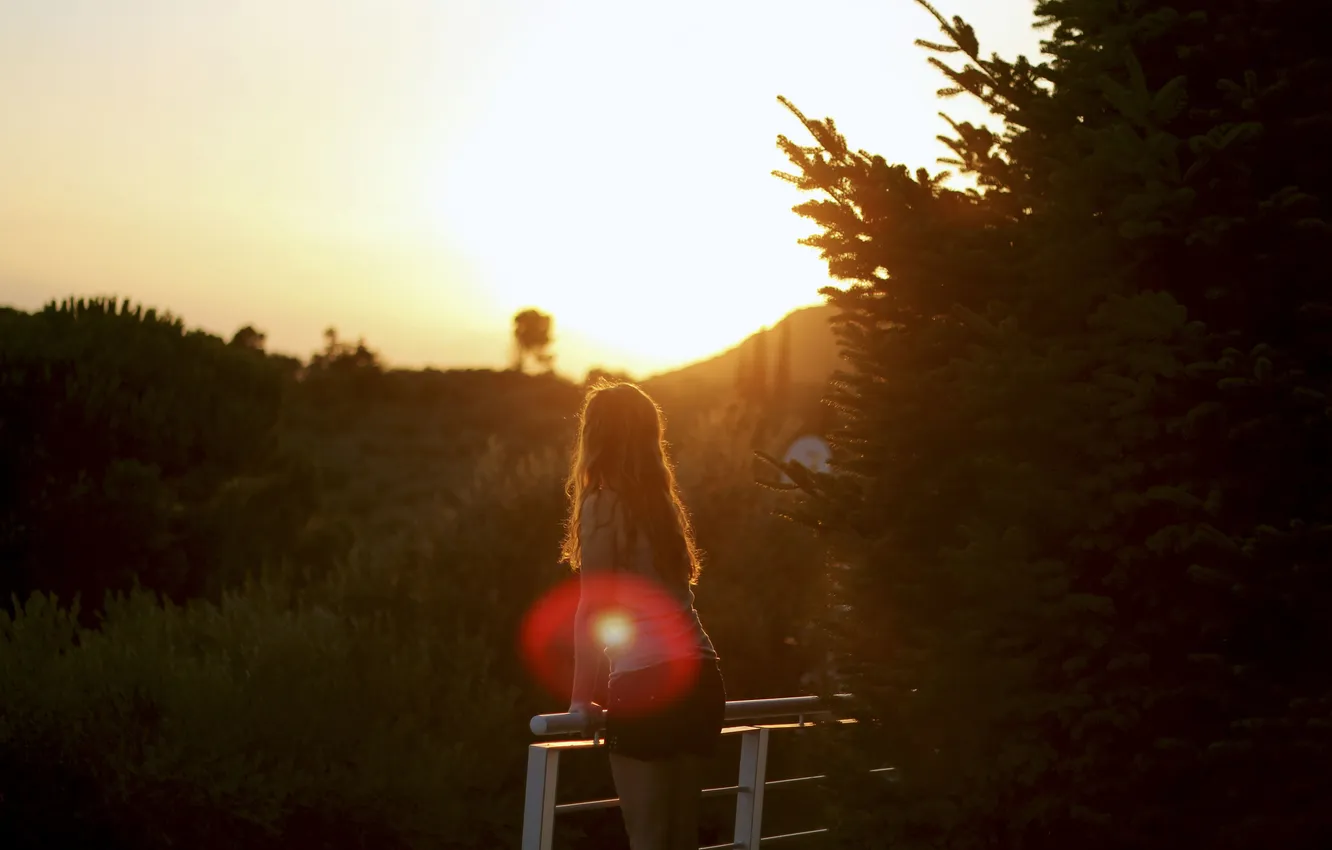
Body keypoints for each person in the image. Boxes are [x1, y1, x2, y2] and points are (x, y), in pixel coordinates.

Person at [560, 380, 725, 850]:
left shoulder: (603, 504)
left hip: (646, 683)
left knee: (649, 838)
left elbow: (592, 605)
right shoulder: (663, 507)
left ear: (596, 437)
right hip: (700, 678)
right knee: (680, 836)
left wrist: (579, 700)